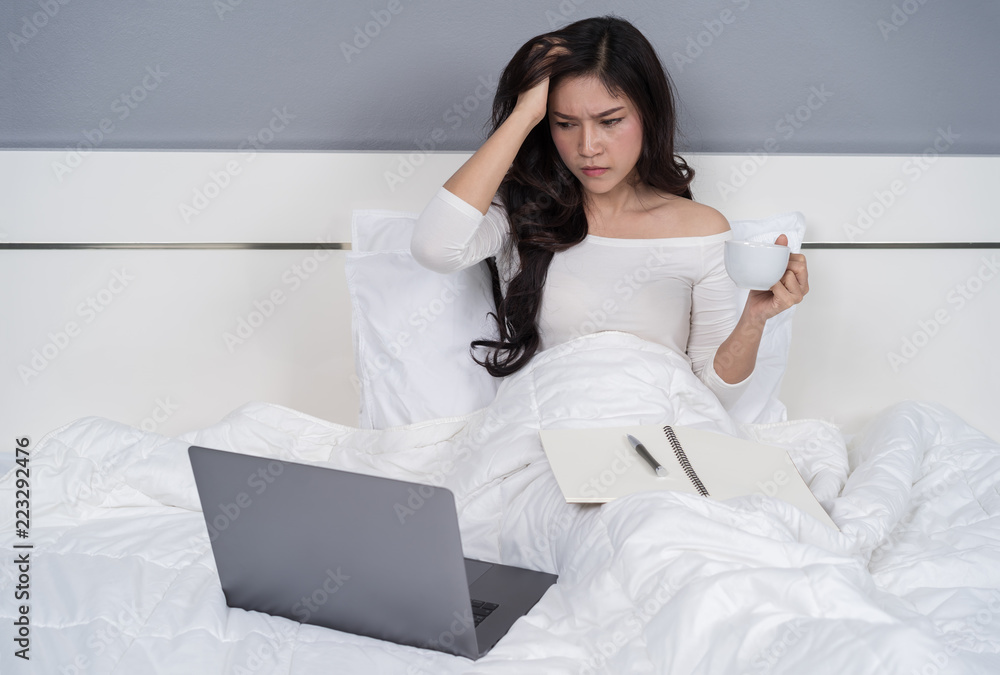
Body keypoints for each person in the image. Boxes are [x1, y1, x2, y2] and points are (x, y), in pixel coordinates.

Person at [410, 15, 808, 410]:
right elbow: (434, 248)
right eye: (564, 124)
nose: (587, 146)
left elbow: (712, 393)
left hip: (660, 437)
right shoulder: (522, 208)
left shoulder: (702, 229)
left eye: (610, 121)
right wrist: (524, 114)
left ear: (648, 116)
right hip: (545, 431)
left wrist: (754, 318)